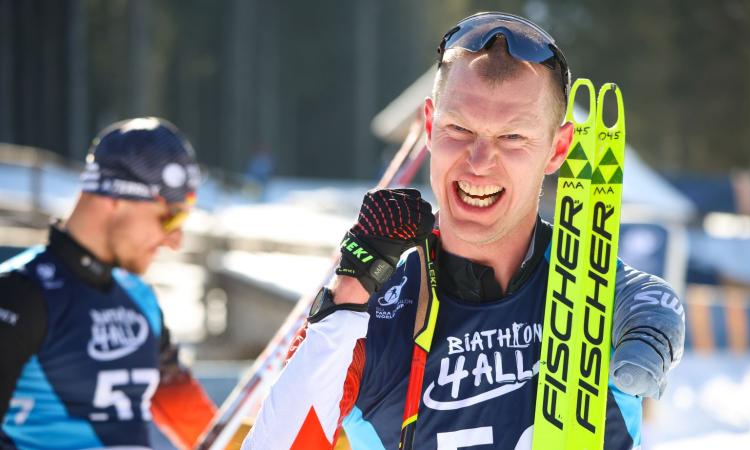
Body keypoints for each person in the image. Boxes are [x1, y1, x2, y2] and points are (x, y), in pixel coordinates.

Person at [243, 12, 685, 450]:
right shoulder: (377, 316)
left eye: (512, 137)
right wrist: (348, 296)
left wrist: (654, 328)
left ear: (559, 148)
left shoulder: (598, 289)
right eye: (459, 128)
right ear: (430, 126)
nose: (478, 162)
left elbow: (653, 304)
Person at [0, 117, 217, 449]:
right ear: (114, 196)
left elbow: (198, 426)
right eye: (170, 217)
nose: (175, 240)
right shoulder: (18, 294)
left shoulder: (140, 298)